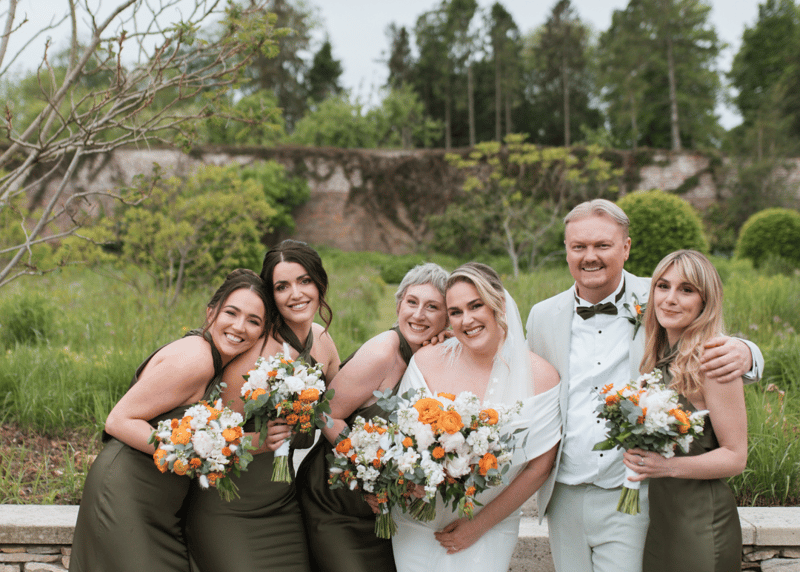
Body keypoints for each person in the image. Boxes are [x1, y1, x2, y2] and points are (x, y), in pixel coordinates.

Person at [526, 199, 763, 572]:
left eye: (602, 245)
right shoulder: (542, 316)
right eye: (579, 246)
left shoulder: (657, 295)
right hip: (564, 491)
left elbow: (705, 334)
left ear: (626, 248)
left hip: (633, 492)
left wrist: (748, 353)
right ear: (567, 250)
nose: (590, 256)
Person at [69, 269, 269, 572]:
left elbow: (203, 437)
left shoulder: (217, 360)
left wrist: (261, 441)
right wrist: (188, 455)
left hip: (159, 505)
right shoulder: (196, 359)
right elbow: (118, 420)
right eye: (231, 313)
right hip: (126, 494)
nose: (239, 327)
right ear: (211, 313)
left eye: (253, 321)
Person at [392, 262, 561, 572]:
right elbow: (401, 439)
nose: (466, 320)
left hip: (490, 523)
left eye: (475, 305)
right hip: (417, 519)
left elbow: (539, 467)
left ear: (499, 304)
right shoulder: (427, 360)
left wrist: (477, 526)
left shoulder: (542, 377)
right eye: (455, 312)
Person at [185, 240, 340, 572]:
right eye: (282, 286)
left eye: (304, 281)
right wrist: (260, 441)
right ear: (272, 296)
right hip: (230, 507)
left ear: (319, 283)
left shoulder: (323, 342)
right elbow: (210, 440)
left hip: (283, 507)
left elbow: (343, 405)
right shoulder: (256, 356)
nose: (296, 294)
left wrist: (425, 345)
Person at [295, 262, 450, 572]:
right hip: (335, 501)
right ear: (399, 305)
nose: (419, 315)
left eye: (432, 307)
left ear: (447, 317)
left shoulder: (433, 356)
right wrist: (371, 474)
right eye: (412, 302)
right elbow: (325, 413)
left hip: (384, 511)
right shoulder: (382, 353)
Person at [623, 250, 746, 572]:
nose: (670, 299)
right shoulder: (658, 358)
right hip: (662, 522)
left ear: (705, 301)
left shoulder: (713, 361)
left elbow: (735, 457)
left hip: (700, 523)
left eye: (686, 290)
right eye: (663, 286)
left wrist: (665, 466)